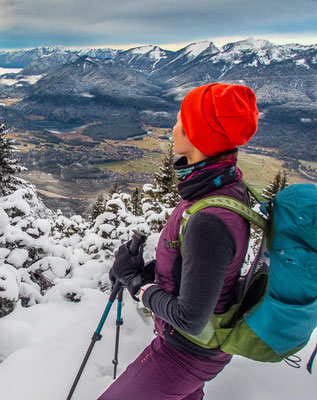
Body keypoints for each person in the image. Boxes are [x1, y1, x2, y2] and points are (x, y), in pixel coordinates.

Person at [99, 83, 260, 400]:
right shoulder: (219, 189)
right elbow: (200, 269)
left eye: (179, 121)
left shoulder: (209, 219)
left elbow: (190, 318)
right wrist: (146, 272)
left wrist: (136, 285)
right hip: (192, 351)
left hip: (185, 354)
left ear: (196, 136)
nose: (173, 128)